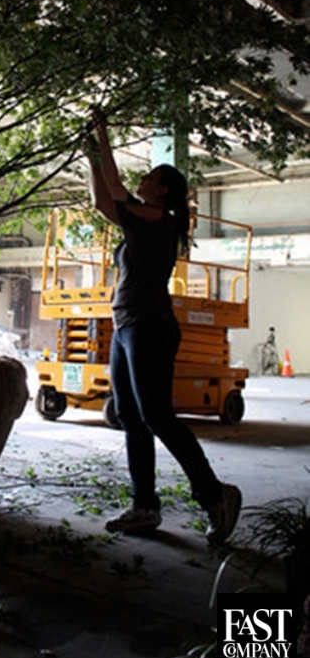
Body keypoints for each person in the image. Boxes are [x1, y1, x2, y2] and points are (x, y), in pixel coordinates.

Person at [87, 113, 241, 545]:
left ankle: (214, 494)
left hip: (148, 325)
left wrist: (98, 144)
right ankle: (144, 506)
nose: (143, 178)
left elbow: (108, 193)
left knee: (155, 415)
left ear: (163, 191)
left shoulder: (158, 219)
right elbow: (106, 196)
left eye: (151, 176)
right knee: (130, 415)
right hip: (126, 326)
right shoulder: (141, 218)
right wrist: (94, 149)